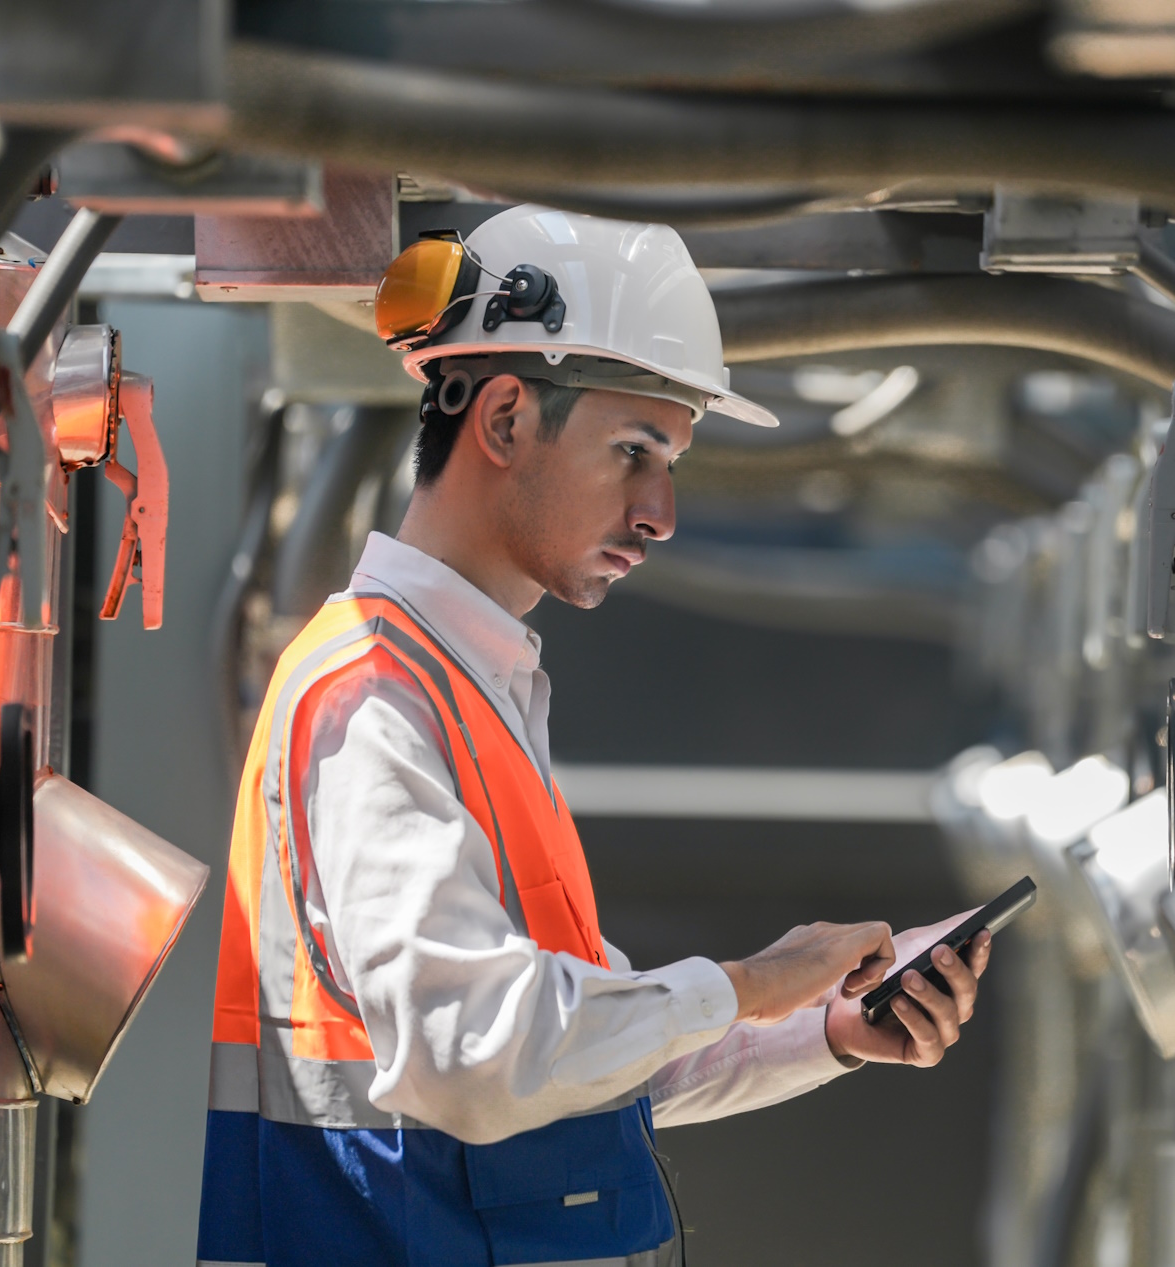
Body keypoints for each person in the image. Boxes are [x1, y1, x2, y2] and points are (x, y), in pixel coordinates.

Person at [195, 205, 991, 1267]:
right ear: (507, 420)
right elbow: (474, 1051)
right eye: (633, 451)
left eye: (671, 462)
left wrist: (834, 1027)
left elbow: (596, 1056)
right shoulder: (375, 697)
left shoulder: (472, 689)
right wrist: (752, 979)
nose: (660, 511)